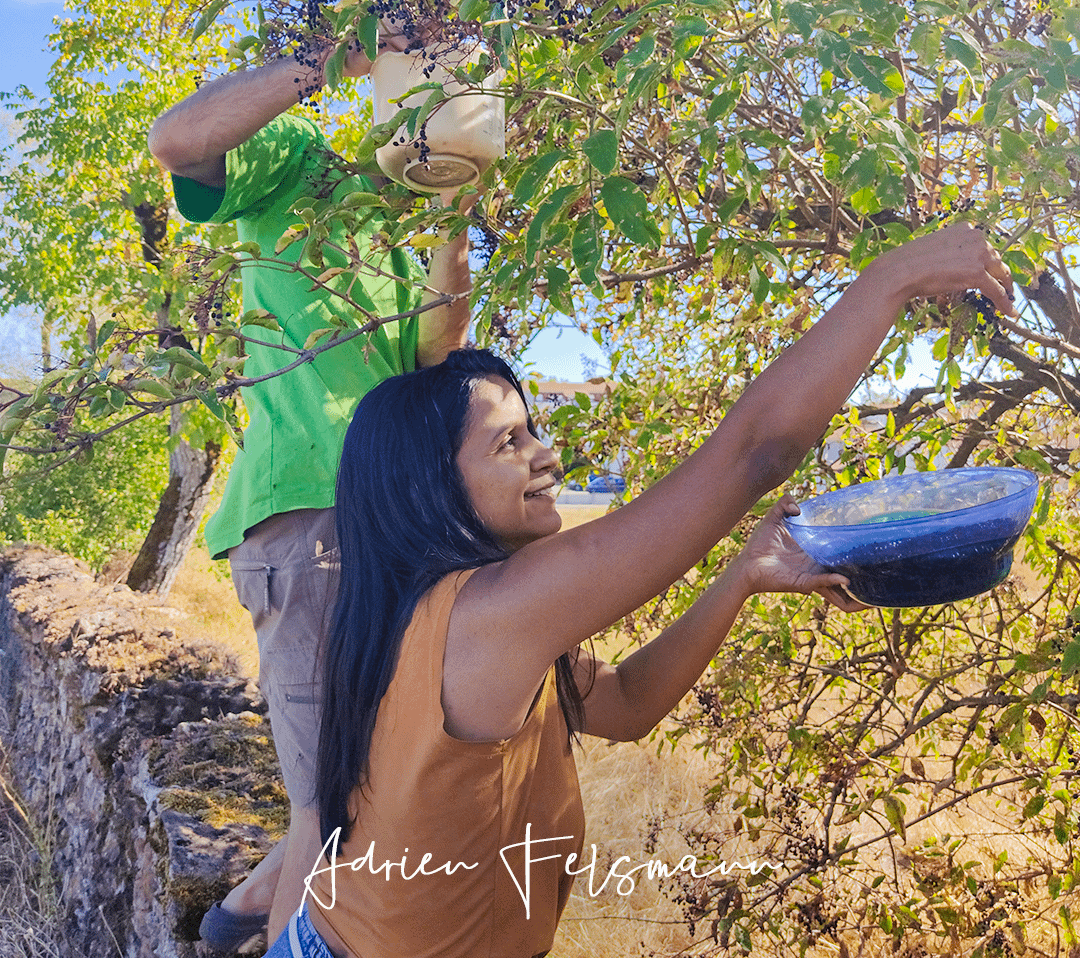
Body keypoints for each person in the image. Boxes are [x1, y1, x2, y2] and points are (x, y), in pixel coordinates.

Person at [262, 225, 1014, 957]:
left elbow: (626, 704)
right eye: (509, 442)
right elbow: (755, 453)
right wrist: (894, 279)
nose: (548, 456)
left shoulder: (421, 612)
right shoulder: (484, 616)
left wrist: (743, 577)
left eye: (533, 430)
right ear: (427, 485)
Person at [147, 32, 476, 946]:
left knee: (374, 785)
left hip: (397, 524)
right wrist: (328, 62)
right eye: (423, 72)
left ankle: (239, 912)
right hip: (308, 518)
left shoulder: (413, 219)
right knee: (329, 813)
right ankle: (257, 914)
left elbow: (437, 354)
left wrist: (454, 213)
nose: (435, 95)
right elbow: (177, 143)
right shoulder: (297, 167)